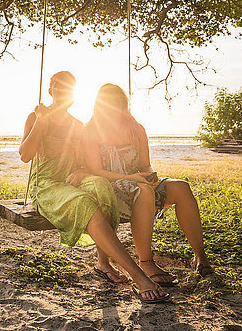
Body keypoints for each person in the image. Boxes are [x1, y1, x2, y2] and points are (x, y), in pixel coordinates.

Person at [19, 71, 170, 303]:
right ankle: (138, 276)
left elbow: (83, 160)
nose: (62, 90)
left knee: (100, 185)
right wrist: (41, 122)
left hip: (71, 178)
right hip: (48, 185)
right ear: (50, 90)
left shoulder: (78, 126)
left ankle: (103, 261)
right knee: (84, 202)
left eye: (68, 87)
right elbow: (25, 156)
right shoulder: (37, 117)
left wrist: (82, 171)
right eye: (57, 86)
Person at [83, 83, 213, 285]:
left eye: (117, 103)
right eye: (107, 104)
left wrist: (152, 177)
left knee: (181, 187)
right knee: (143, 191)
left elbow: (146, 165)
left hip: (140, 182)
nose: (112, 108)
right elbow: (96, 171)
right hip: (112, 186)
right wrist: (132, 179)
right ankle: (146, 262)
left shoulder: (135, 129)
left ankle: (200, 255)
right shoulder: (92, 130)